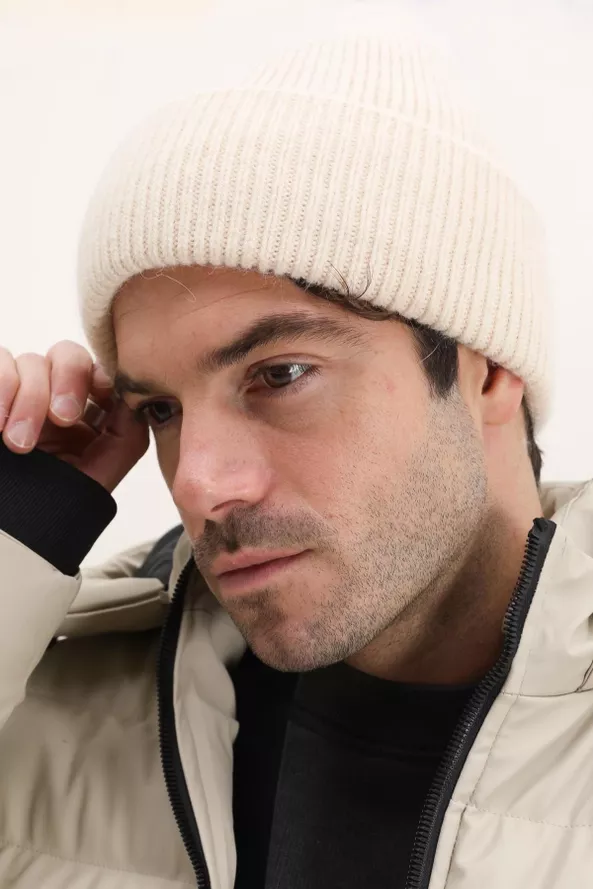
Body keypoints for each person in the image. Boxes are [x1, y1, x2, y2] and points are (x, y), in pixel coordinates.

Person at [1, 14, 592, 889]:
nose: (198, 482)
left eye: (278, 374)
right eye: (159, 408)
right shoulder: (39, 704)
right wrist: (16, 532)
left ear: (486, 373)